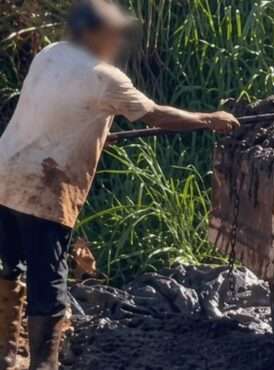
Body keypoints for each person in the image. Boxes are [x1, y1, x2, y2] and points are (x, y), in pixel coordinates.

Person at [0, 1, 240, 369]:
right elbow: (157, 115)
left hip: (5, 174)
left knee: (10, 265)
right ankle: (44, 365)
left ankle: (6, 355)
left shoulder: (51, 54)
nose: (118, 42)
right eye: (113, 34)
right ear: (92, 34)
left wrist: (95, 134)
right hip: (43, 188)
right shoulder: (105, 78)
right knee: (48, 281)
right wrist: (210, 118)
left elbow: (55, 107)